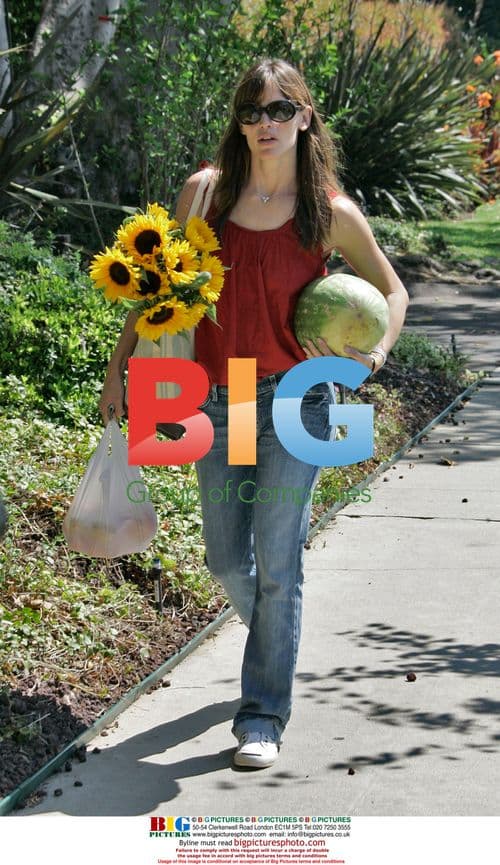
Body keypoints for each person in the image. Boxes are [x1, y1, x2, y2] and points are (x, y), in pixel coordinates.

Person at [99, 58, 409, 770]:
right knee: (222, 556)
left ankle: (262, 711)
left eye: (279, 110)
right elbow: (155, 295)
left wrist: (376, 353)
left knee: (278, 561)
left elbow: (393, 294)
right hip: (213, 393)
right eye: (251, 110)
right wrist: (120, 372)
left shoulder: (328, 213)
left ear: (304, 116)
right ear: (238, 121)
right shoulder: (204, 195)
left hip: (300, 399)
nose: (263, 123)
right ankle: (273, 635)